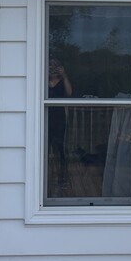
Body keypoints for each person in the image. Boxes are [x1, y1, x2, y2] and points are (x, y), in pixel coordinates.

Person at [48, 58, 72, 195]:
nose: (53, 68)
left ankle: (62, 178)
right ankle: (45, 178)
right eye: (50, 65)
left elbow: (69, 93)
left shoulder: (62, 81)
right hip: (44, 118)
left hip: (58, 118)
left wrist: (64, 76)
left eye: (55, 65)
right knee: (44, 148)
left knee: (60, 148)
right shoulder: (41, 78)